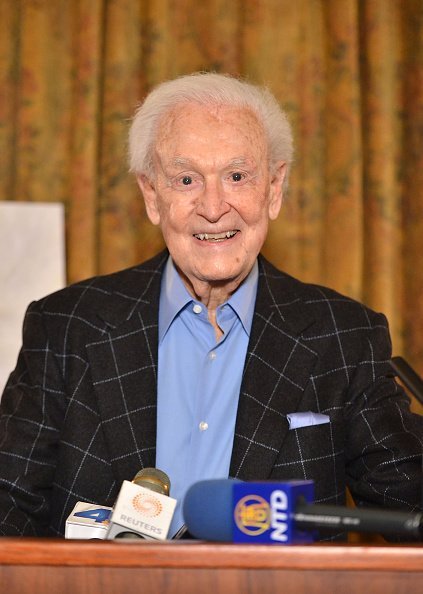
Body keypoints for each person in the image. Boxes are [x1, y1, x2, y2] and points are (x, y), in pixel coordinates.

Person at [0, 72, 421, 540]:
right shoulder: (67, 328)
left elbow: (410, 501)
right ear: (151, 195)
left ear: (274, 188)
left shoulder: (343, 337)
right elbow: (9, 506)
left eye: (237, 176)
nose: (214, 207)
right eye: (186, 179)